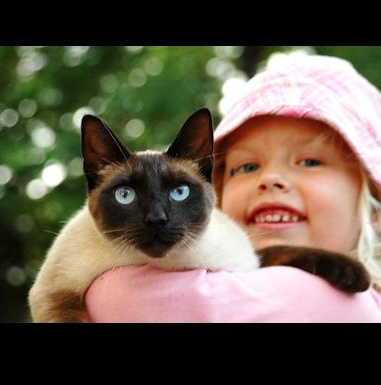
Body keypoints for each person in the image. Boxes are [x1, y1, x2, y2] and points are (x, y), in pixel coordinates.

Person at [84, 55, 381, 322]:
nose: (270, 178)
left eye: (309, 161)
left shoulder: (346, 303)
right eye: (247, 167)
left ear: (374, 207)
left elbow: (126, 298)